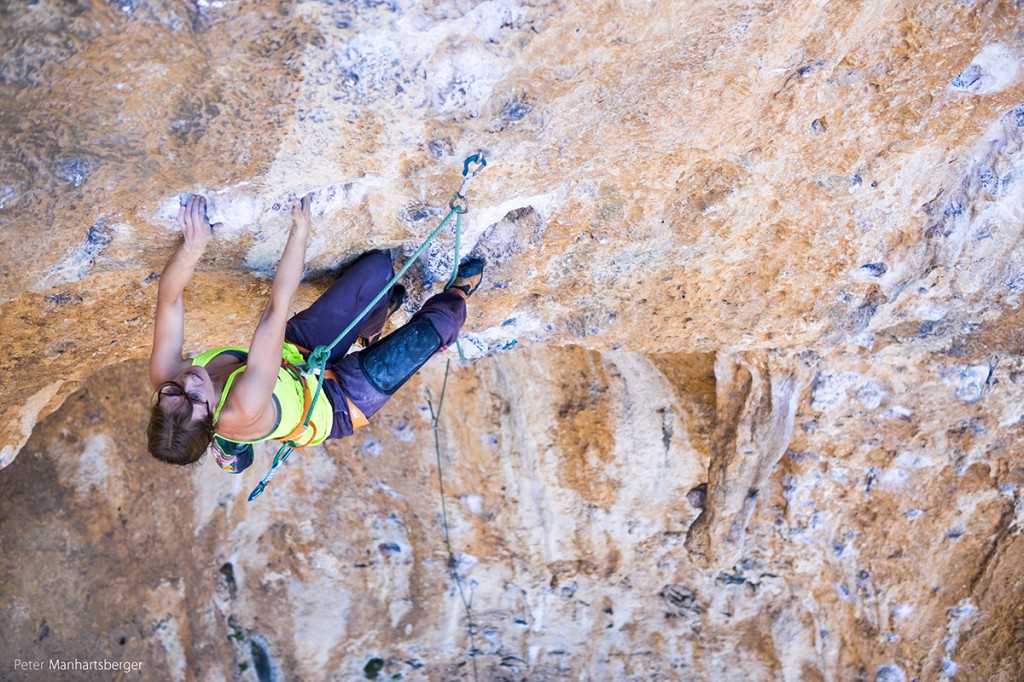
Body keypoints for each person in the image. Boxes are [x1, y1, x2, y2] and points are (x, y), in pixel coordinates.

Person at [147, 193, 483, 473]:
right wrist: (300, 229)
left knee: (377, 271)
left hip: (295, 359)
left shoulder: (168, 378)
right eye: (194, 398)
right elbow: (275, 310)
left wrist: (192, 247)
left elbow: (170, 300)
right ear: (210, 417)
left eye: (174, 392)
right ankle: (460, 294)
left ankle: (371, 327)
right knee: (434, 327)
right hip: (335, 402)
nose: (188, 380)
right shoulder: (242, 405)